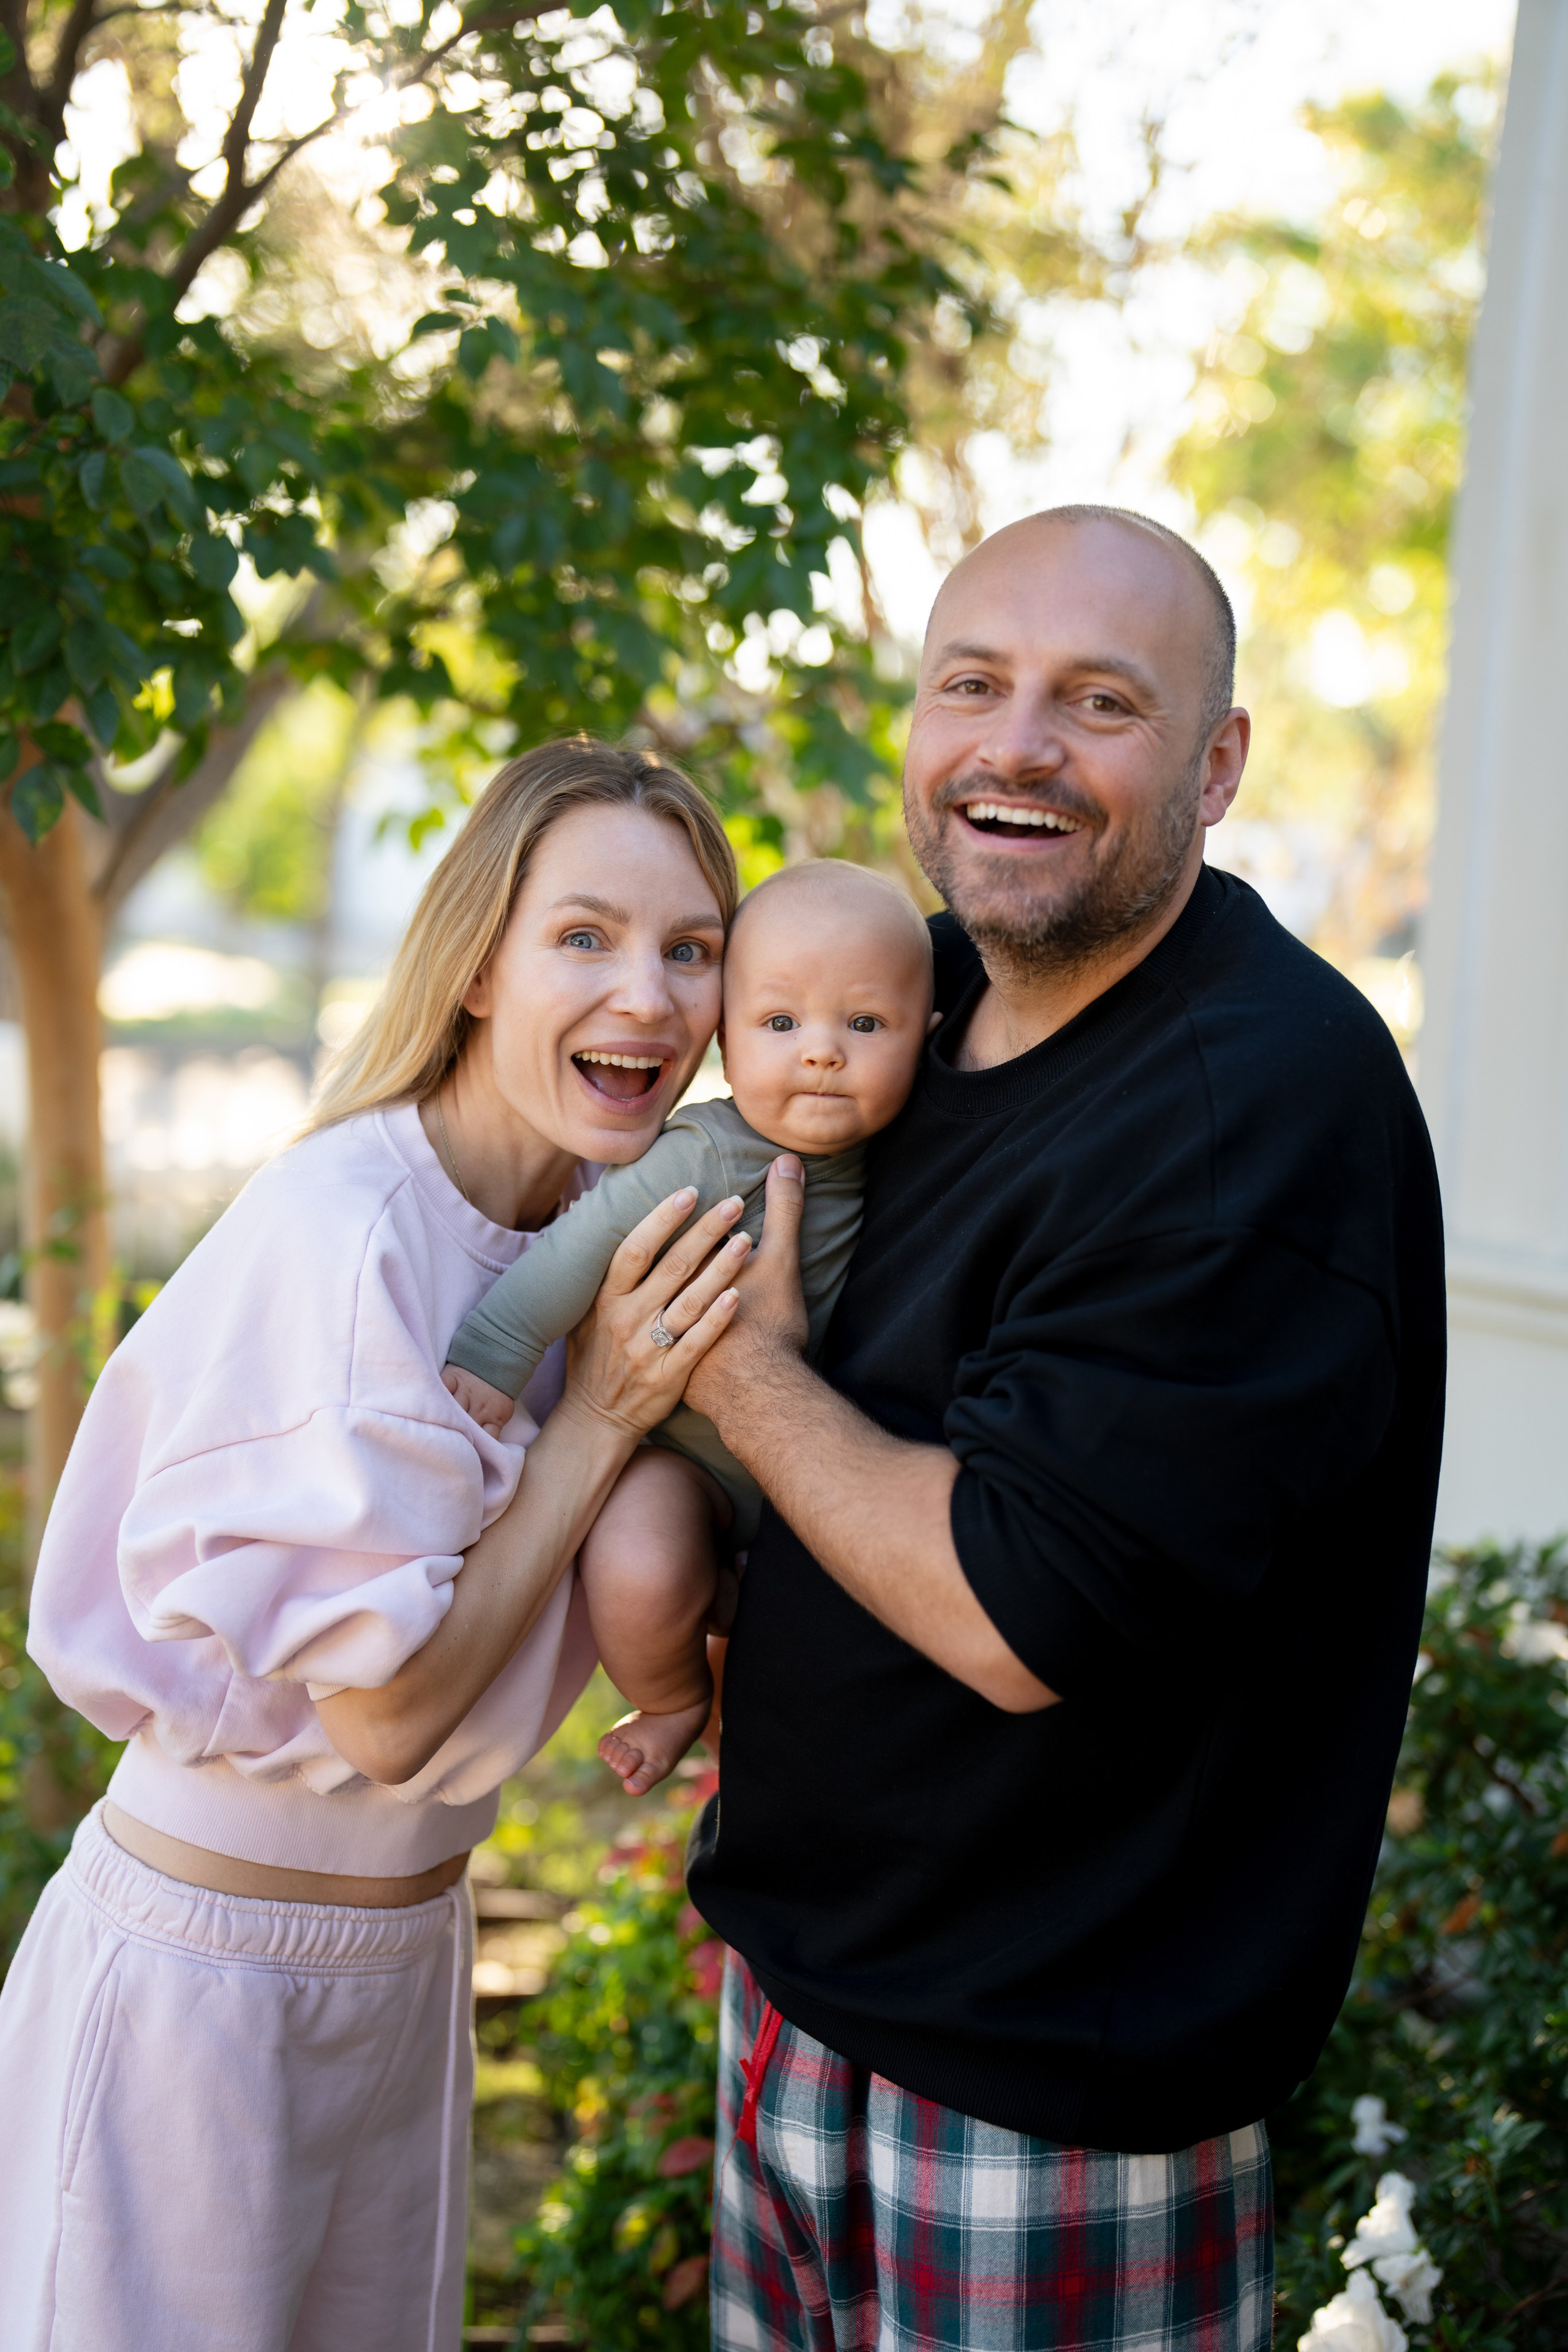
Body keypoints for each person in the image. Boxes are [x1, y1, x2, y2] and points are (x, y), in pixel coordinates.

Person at [681, 507, 1447, 2351]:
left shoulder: (1251, 1105)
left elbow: (1025, 1613)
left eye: (1099, 701)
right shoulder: (909, 1010)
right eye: (975, 686)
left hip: (1045, 2089)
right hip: (800, 2000)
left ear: (1217, 761)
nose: (1017, 744)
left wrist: (719, 1361)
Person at [0, 740, 756, 2352]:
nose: (646, 993)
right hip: (202, 1995)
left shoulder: (581, 1236)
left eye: (690, 947)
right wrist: (601, 1416)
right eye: (584, 936)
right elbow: (394, 1717)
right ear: (478, 960)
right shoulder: (350, 1237)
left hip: (403, 1964)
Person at [441, 860, 937, 1796]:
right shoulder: (710, 1151)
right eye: (781, 1025)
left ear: (930, 1039)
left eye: (865, 1025)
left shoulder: (916, 1153)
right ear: (726, 1041)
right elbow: (585, 1244)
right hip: (693, 1462)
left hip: (834, 1468)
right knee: (634, 1555)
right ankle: (671, 1699)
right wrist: (497, 1351)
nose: (822, 1053)